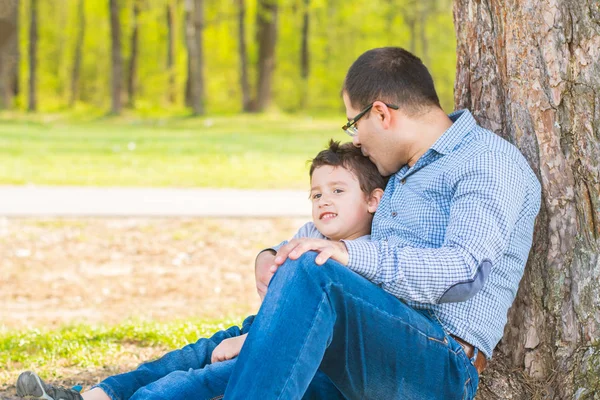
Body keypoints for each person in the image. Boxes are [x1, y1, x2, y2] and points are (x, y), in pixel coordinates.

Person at [220, 47, 542, 399]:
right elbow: (338, 225)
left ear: (381, 114)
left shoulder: (487, 161)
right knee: (214, 363)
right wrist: (272, 255)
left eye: (353, 124)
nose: (355, 139)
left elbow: (464, 272)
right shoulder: (399, 168)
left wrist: (345, 254)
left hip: (439, 363)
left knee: (314, 272)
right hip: (366, 339)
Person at [16, 140, 388, 400]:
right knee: (193, 353)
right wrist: (267, 256)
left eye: (338, 191)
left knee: (203, 377)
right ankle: (99, 395)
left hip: (305, 351)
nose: (324, 201)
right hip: (266, 324)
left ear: (373, 200)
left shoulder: (364, 257)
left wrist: (253, 342)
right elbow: (279, 270)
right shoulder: (312, 233)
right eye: (317, 194)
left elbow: (327, 332)